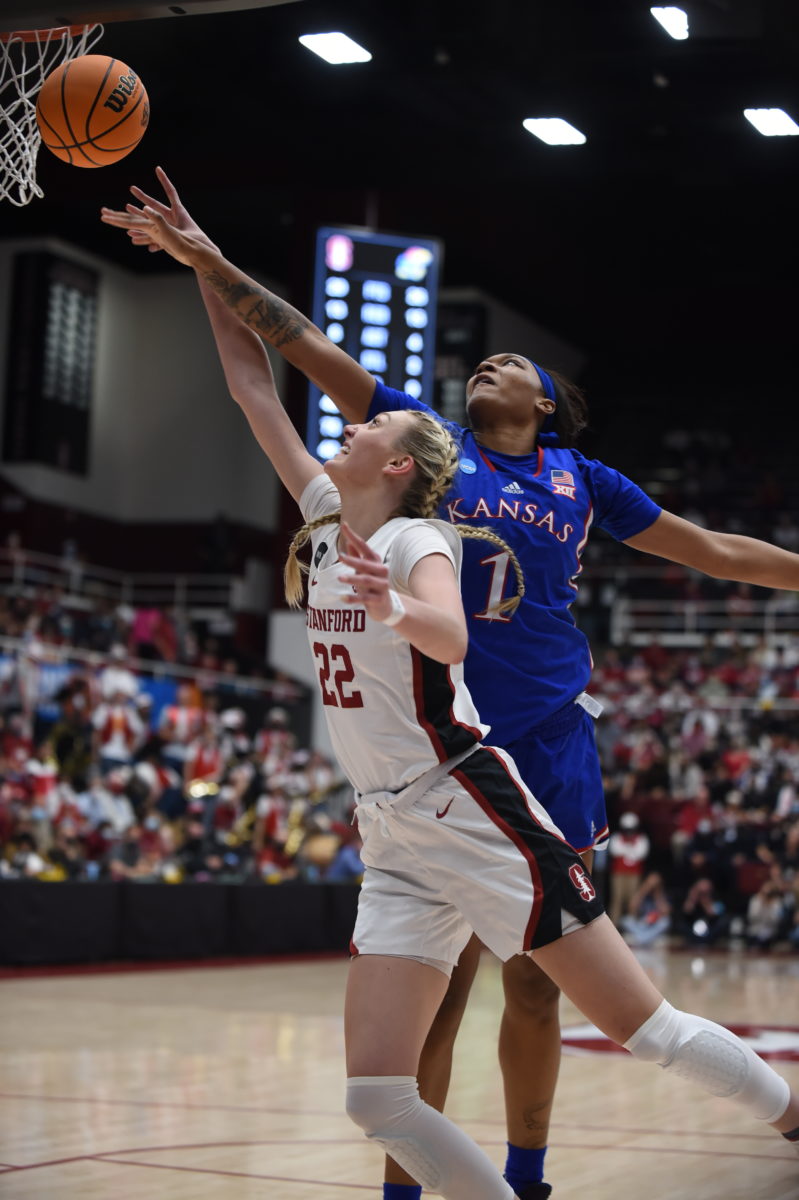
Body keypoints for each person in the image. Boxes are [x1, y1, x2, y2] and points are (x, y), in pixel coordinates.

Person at [100, 173, 799, 1199]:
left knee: (562, 1000)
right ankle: (410, 1187)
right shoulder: (388, 471)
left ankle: (541, 1168)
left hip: (506, 761)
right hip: (398, 806)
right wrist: (206, 260)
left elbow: (699, 553)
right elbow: (270, 370)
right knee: (390, 1066)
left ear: (548, 405)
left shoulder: (515, 496)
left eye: (512, 362)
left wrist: (396, 608)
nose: (354, 424)